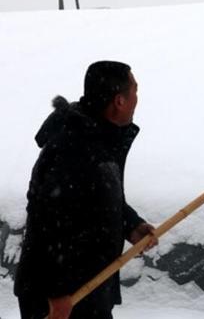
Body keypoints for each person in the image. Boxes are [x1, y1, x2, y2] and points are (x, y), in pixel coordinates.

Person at [14, 61, 158, 319]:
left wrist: (131, 225)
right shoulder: (73, 146)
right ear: (119, 101)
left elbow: (97, 200)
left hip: (88, 289)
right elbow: (48, 220)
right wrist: (56, 294)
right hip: (60, 299)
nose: (138, 97)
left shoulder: (99, 138)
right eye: (135, 90)